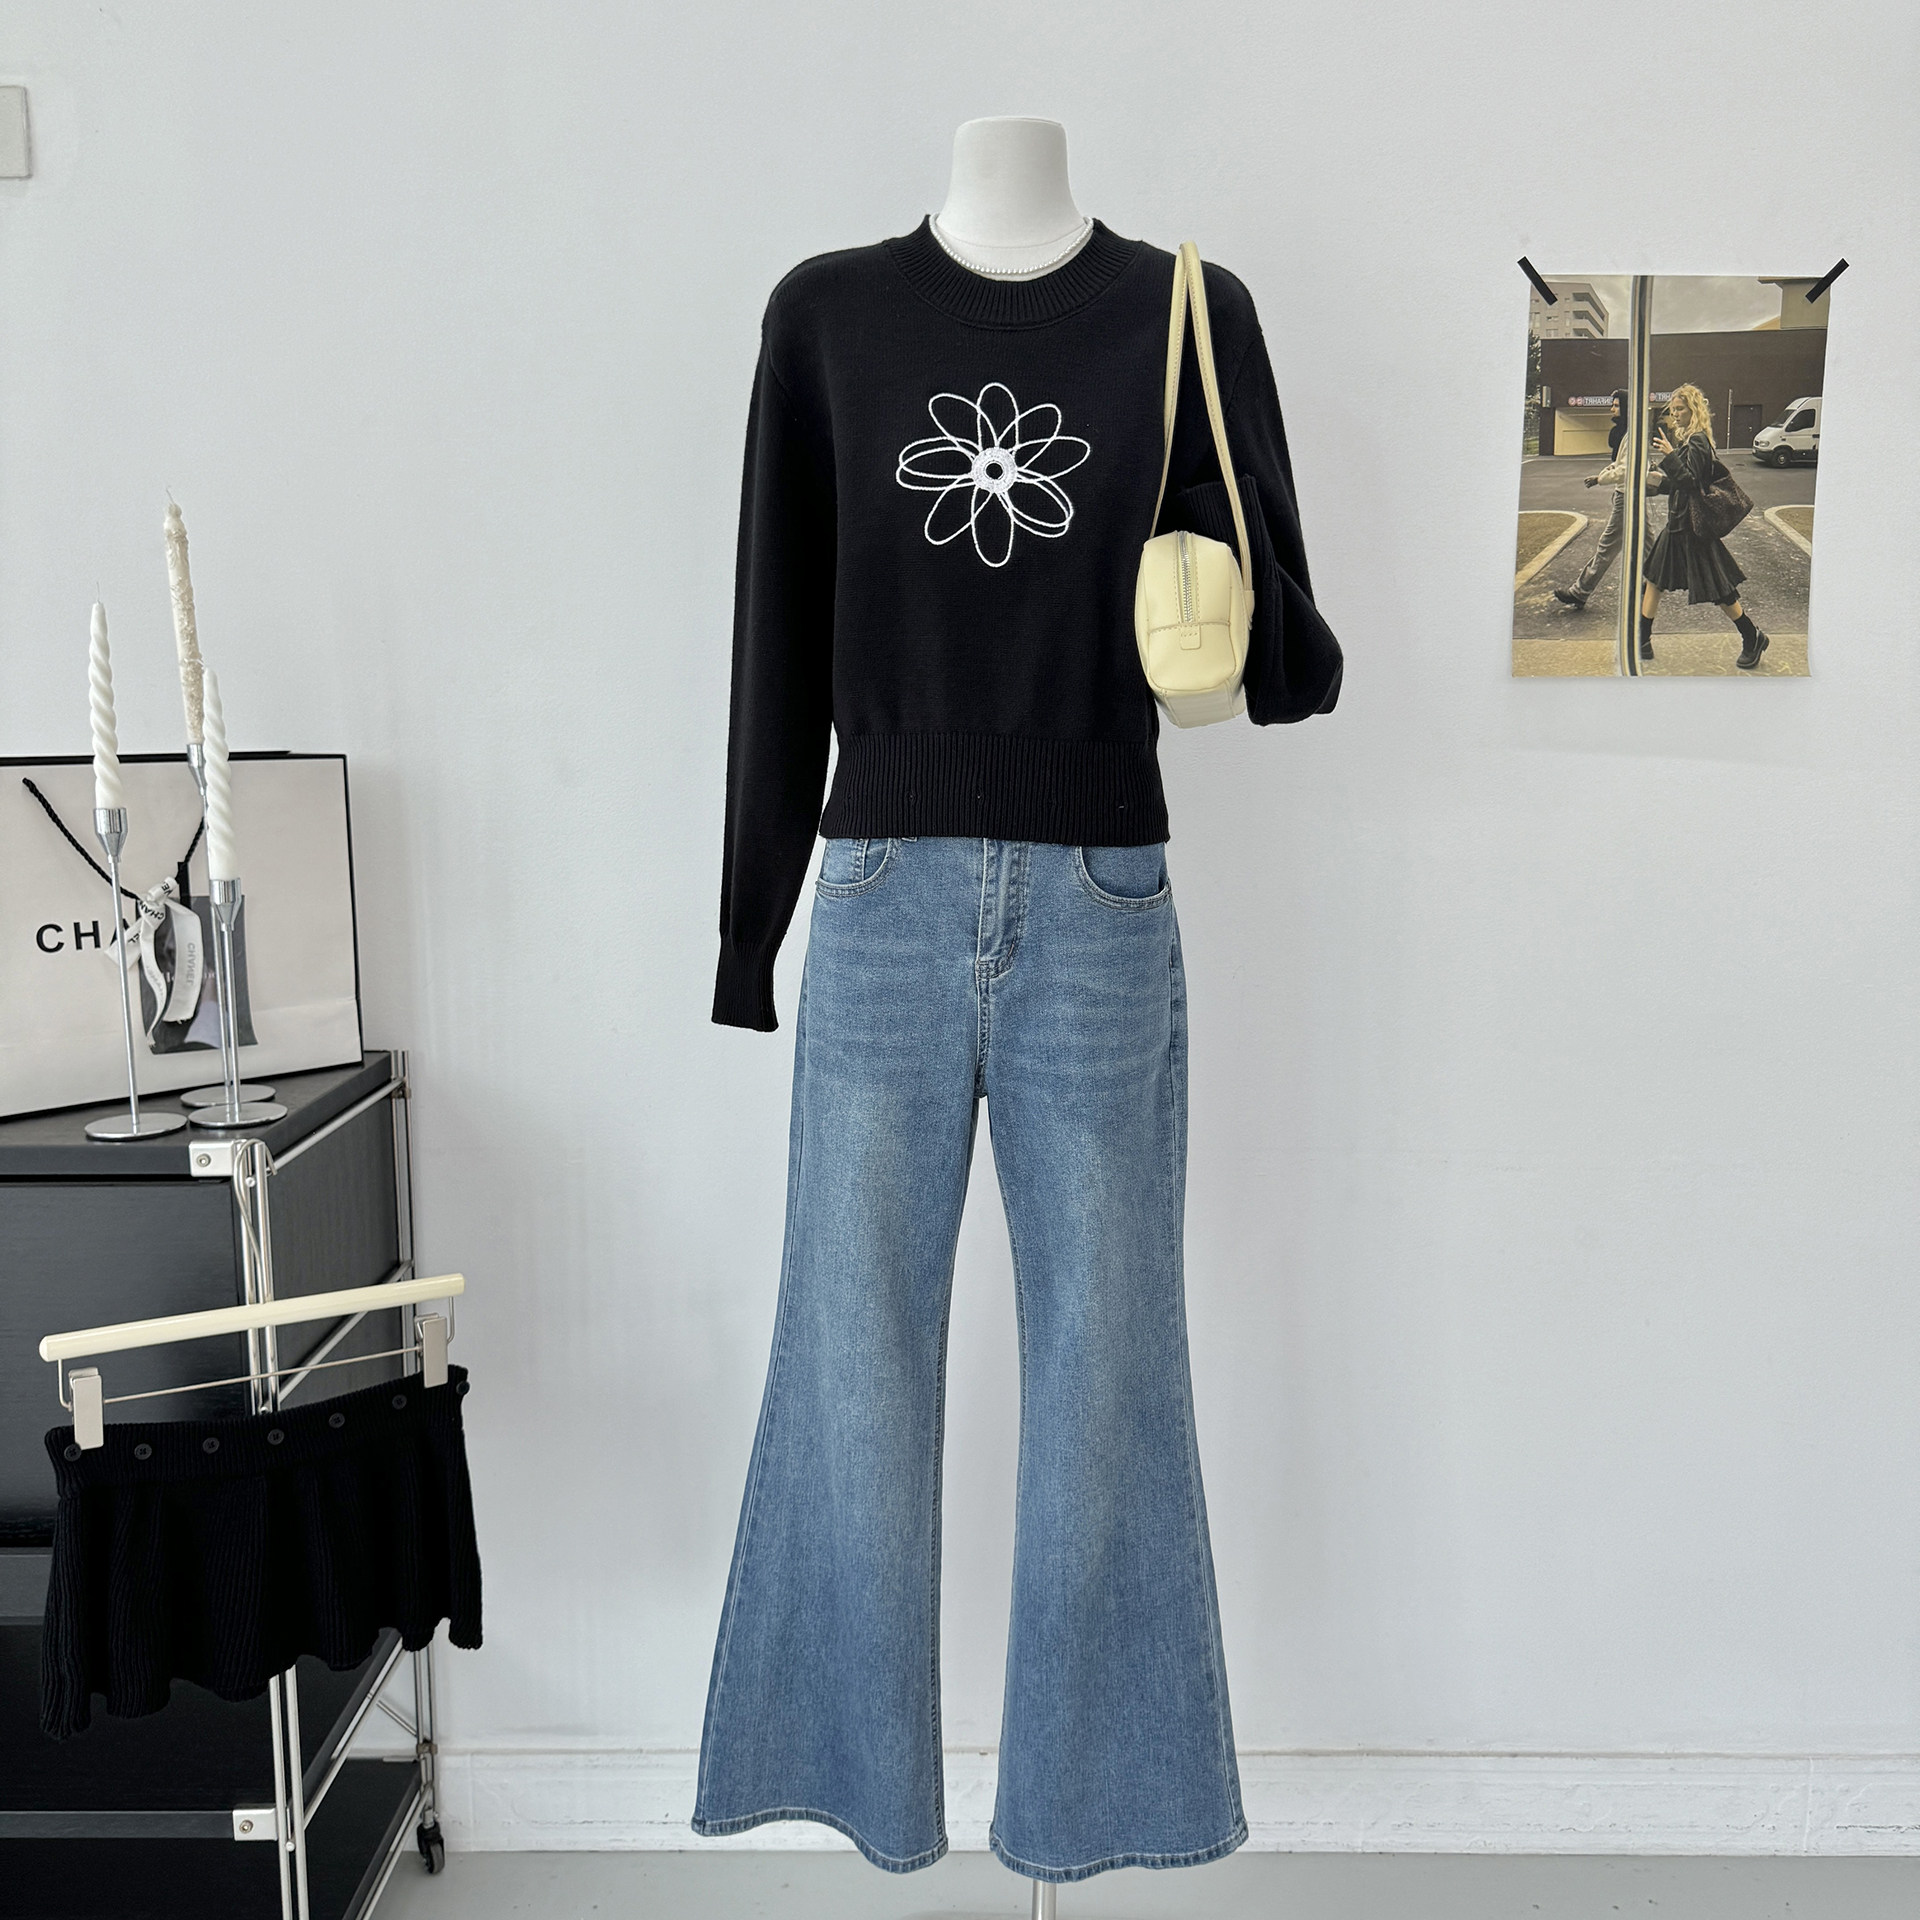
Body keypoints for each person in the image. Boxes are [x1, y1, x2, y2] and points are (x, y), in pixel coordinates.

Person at [1640, 383, 1769, 669]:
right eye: (1673, 410)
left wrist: (1669, 456)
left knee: (1718, 589)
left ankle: (1752, 636)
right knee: (1654, 579)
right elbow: (1677, 485)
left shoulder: (1698, 440)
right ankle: (1642, 639)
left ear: (1693, 409)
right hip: (1677, 525)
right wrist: (1652, 483)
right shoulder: (1688, 441)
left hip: (1691, 528)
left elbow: (1691, 483)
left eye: (1680, 409)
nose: (1675, 414)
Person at [1553, 389, 1641, 610]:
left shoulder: (1632, 435)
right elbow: (1620, 464)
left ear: (1627, 408)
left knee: (1607, 546)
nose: (1612, 409)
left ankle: (1580, 591)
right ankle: (1652, 586)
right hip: (1632, 495)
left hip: (1627, 497)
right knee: (1648, 545)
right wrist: (1600, 476)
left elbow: (1625, 470)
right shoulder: (1628, 433)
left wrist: (1601, 480)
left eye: (1616, 406)